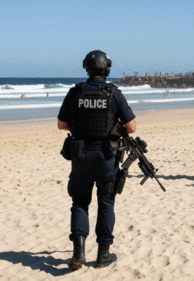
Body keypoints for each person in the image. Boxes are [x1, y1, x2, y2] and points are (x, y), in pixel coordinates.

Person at [58, 50, 136, 270]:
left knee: (80, 202)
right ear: (107, 69)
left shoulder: (75, 93)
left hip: (81, 156)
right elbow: (131, 127)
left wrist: (79, 125)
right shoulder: (113, 94)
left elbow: (61, 125)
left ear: (87, 69)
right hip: (106, 158)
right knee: (106, 202)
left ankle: (78, 252)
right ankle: (103, 255)